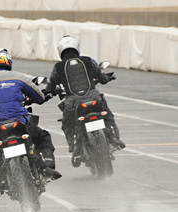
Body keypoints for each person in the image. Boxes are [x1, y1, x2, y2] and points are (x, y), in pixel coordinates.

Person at [0, 48, 62, 195]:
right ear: (8, 62)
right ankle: (48, 167)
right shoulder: (18, 77)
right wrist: (41, 97)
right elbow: (38, 96)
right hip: (21, 123)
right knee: (43, 136)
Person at [44, 35, 126, 166]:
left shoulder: (58, 67)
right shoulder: (88, 60)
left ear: (60, 50)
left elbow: (51, 83)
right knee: (107, 113)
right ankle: (113, 137)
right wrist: (107, 78)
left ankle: (74, 147)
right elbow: (101, 76)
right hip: (93, 97)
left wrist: (49, 91)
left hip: (73, 102)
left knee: (67, 123)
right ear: (76, 48)